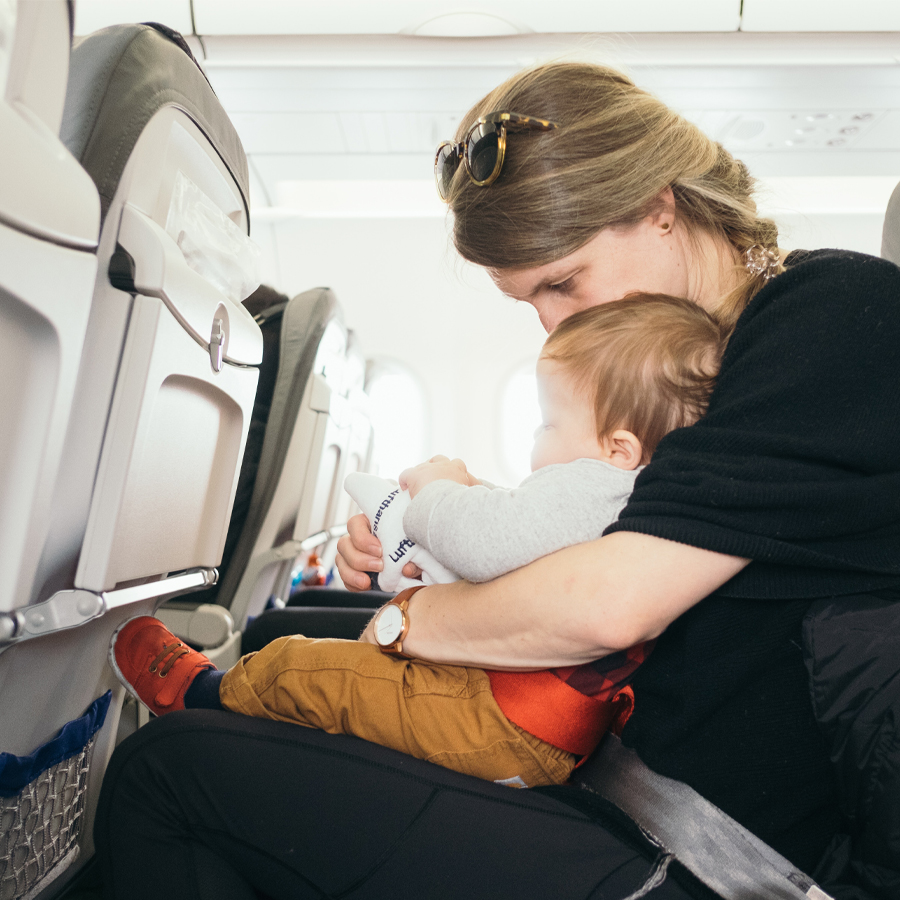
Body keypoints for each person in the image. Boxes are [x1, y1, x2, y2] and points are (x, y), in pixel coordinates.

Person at [94, 61, 900, 900]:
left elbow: (606, 606)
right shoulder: (704, 356)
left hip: (704, 857)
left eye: (563, 280)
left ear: (661, 209)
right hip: (609, 781)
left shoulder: (833, 313)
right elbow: (627, 528)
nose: (554, 321)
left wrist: (410, 620)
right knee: (272, 659)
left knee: (168, 776)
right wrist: (432, 531)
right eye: (529, 301)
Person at [107, 294, 726, 789]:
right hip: (530, 723)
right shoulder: (633, 492)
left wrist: (436, 490)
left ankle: (201, 697)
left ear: (618, 446)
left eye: (547, 423)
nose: (538, 440)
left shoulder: (596, 484)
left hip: (499, 718)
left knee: (303, 666)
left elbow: (490, 542)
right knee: (348, 679)